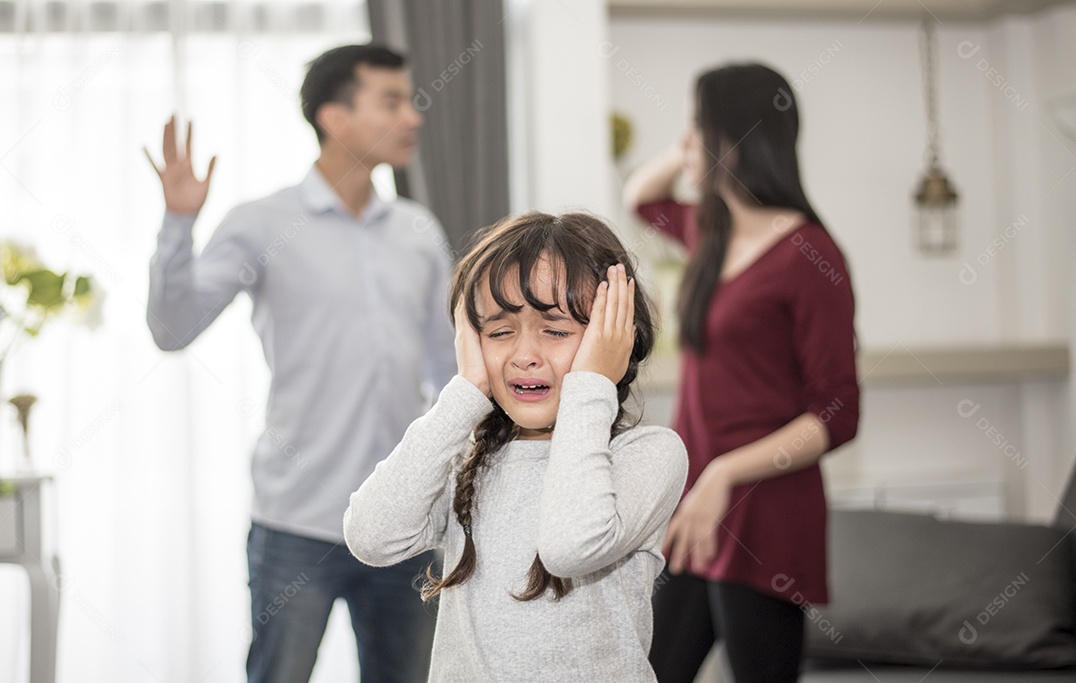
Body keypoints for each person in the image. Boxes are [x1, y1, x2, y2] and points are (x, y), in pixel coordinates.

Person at [144, 45, 455, 683]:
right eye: (392, 102)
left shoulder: (419, 230)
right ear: (333, 118)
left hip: (405, 522)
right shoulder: (261, 222)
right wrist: (179, 224)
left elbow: (449, 368)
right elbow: (172, 329)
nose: (414, 116)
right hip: (296, 524)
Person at [344, 212, 689, 681]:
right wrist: (466, 390)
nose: (524, 355)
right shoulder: (467, 459)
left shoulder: (648, 454)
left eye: (557, 331)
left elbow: (570, 547)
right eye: (500, 332)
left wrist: (590, 385)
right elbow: (371, 535)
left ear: (615, 341)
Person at [623, 63, 860, 683]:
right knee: (649, 670)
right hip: (697, 501)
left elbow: (838, 413)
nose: (685, 142)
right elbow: (640, 198)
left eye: (696, 128)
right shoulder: (712, 232)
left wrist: (726, 472)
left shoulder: (810, 256)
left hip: (764, 508)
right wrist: (686, 151)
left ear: (734, 139)